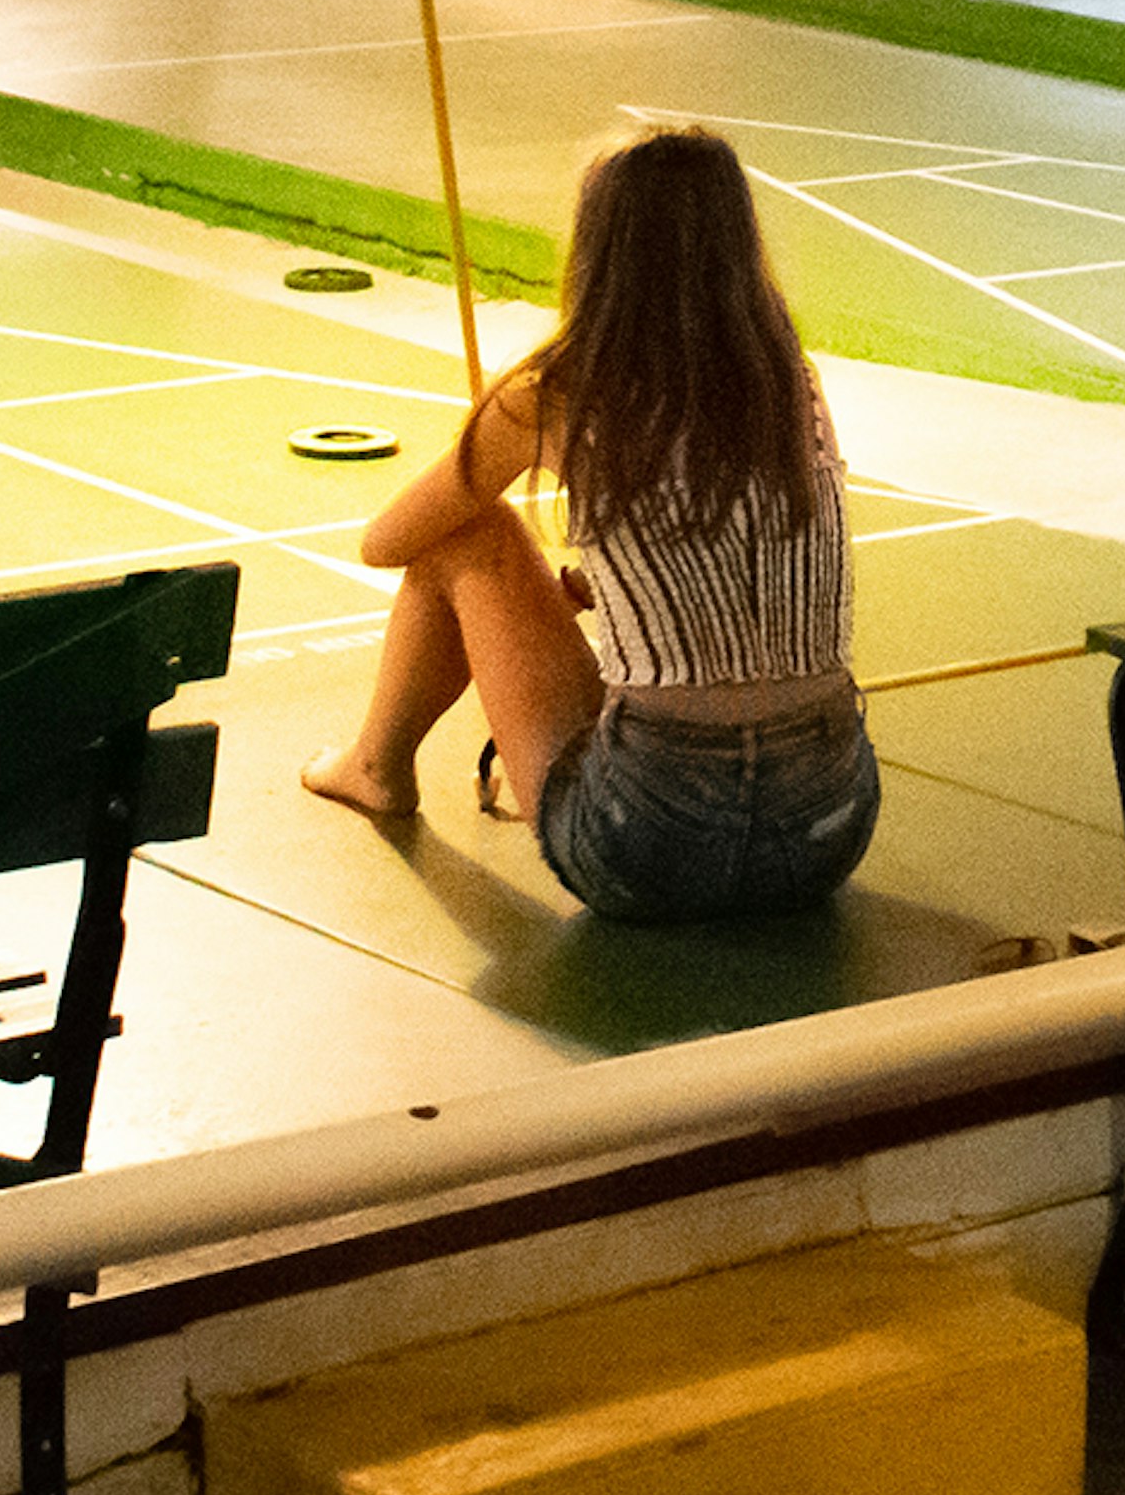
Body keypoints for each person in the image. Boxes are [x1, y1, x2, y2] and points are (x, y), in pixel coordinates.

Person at [301, 125, 877, 923]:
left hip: (649, 843)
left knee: (473, 535)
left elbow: (387, 542)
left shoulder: (559, 392)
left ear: (601, 251)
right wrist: (612, 582)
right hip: (828, 831)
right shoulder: (787, 376)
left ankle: (376, 765)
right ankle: (378, 763)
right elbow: (752, 553)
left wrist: (497, 440)